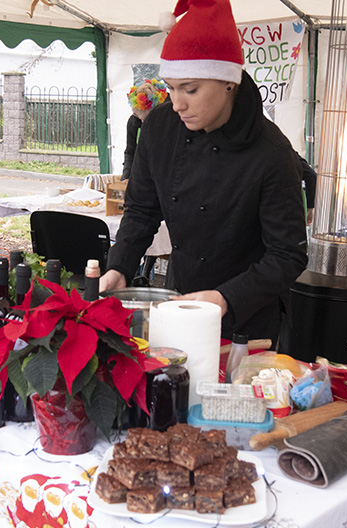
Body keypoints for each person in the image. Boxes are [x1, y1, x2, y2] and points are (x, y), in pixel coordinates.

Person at [100, 0, 308, 343]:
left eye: (190, 89)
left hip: (247, 319)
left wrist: (225, 298)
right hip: (179, 300)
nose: (177, 102)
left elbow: (288, 255)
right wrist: (119, 266)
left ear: (228, 81)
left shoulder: (271, 153)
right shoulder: (159, 129)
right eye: (171, 87)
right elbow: (141, 210)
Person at [122, 78, 169, 180]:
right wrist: (126, 177)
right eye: (140, 118)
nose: (143, 121)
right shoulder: (134, 122)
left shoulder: (171, 121)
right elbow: (130, 151)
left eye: (146, 118)